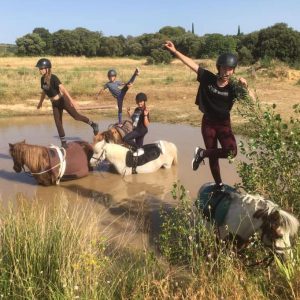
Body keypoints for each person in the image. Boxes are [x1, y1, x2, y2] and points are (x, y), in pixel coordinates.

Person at [164, 40, 249, 192]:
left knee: (232, 152)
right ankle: (219, 185)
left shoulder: (234, 87)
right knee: (214, 157)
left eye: (230, 69)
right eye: (224, 68)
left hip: (224, 124)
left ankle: (201, 153)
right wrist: (175, 51)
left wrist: (245, 87)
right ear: (219, 67)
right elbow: (191, 64)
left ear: (234, 71)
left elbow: (252, 102)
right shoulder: (208, 78)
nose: (227, 71)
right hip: (208, 123)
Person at [36, 58, 99, 148]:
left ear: (47, 68)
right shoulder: (42, 79)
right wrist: (40, 103)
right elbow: (44, 92)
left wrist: (72, 101)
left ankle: (93, 124)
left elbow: (63, 89)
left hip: (63, 100)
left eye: (41, 68)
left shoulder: (53, 78)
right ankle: (64, 143)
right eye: (39, 68)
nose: (40, 70)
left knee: (76, 117)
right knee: (58, 122)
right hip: (54, 103)